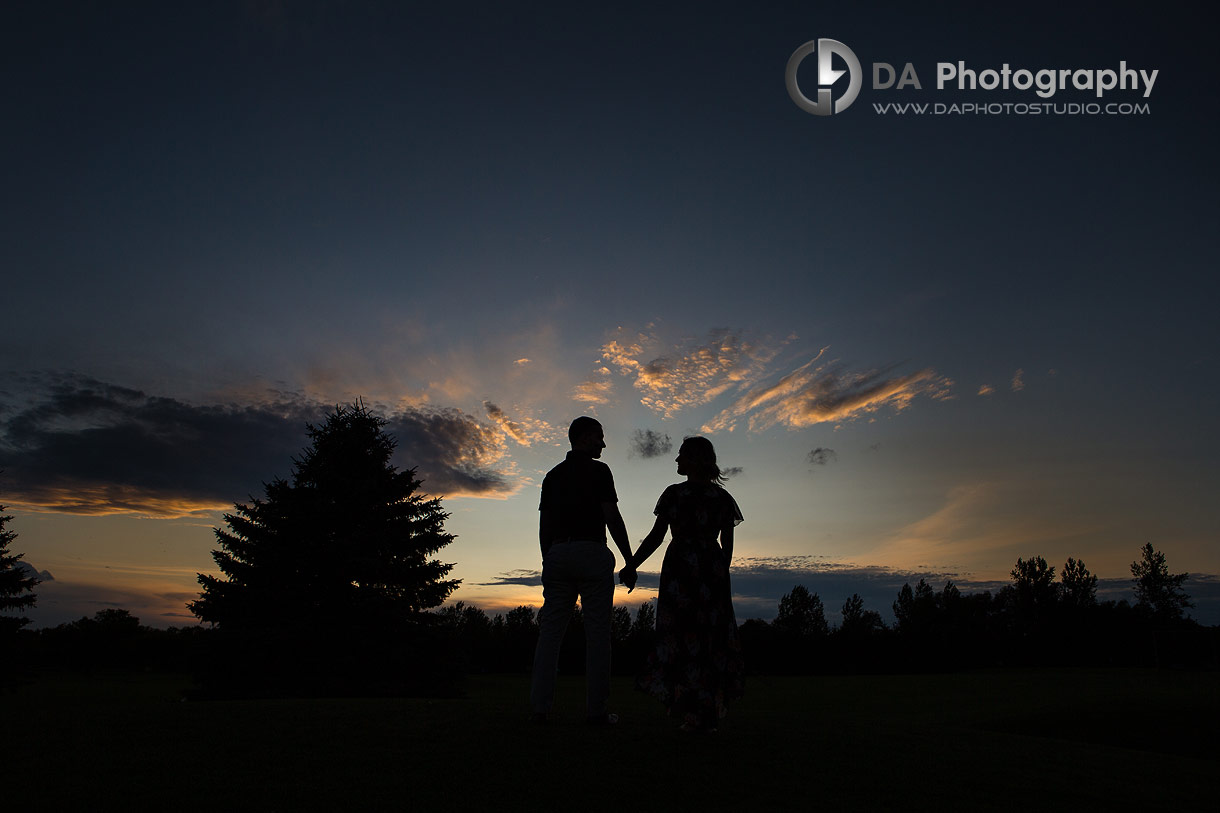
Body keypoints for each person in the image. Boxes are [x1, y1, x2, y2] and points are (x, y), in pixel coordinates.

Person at [621, 435, 744, 732]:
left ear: (694, 459)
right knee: (705, 640)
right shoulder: (721, 499)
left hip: (682, 570)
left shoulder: (675, 494)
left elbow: (656, 537)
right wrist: (718, 575)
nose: (676, 460)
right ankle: (702, 712)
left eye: (681, 455)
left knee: (683, 637)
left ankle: (693, 711)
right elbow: (726, 548)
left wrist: (632, 564)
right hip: (708, 571)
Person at [530, 417, 636, 724]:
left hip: (558, 554)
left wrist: (547, 559)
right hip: (591, 551)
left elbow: (544, 526)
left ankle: (540, 709)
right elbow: (612, 517)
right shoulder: (599, 471)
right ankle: (596, 711)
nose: (603, 444)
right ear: (585, 437)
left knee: (550, 635)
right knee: (598, 634)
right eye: (599, 437)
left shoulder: (552, 476)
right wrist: (629, 559)